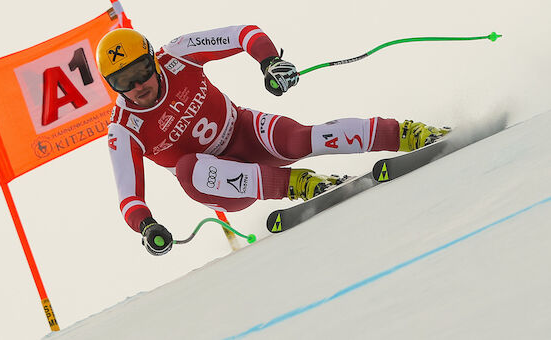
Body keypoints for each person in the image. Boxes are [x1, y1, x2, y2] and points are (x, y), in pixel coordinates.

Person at [96, 26, 449, 256]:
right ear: (113, 86)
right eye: (123, 81)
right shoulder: (123, 128)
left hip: (244, 131)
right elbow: (129, 198)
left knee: (299, 140)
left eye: (141, 71)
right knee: (188, 168)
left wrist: (269, 63)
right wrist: (147, 226)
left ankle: (406, 133)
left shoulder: (176, 54)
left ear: (151, 59)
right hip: (222, 184)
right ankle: (297, 184)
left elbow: (244, 34)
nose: (138, 86)